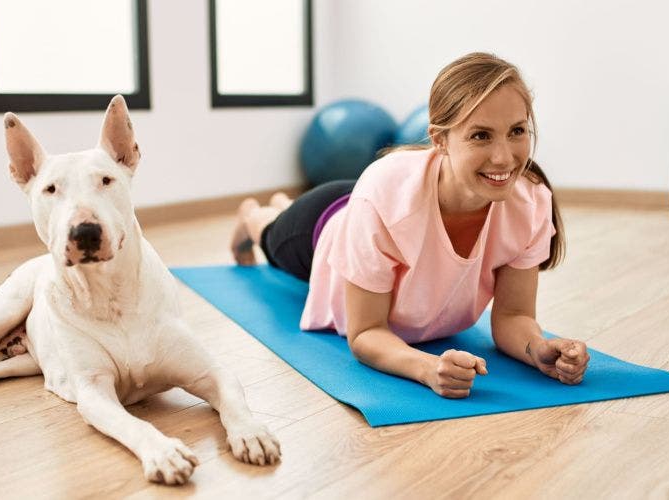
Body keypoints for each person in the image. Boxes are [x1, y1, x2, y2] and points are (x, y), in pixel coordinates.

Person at [229, 52, 590, 398]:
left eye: (517, 131)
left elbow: (513, 316)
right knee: (272, 234)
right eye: (481, 135)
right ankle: (253, 216)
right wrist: (426, 368)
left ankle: (278, 205)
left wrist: (539, 349)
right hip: (324, 224)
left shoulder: (529, 201)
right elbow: (367, 332)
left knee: (291, 212)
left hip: (373, 207)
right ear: (439, 139)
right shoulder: (383, 197)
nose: (503, 156)